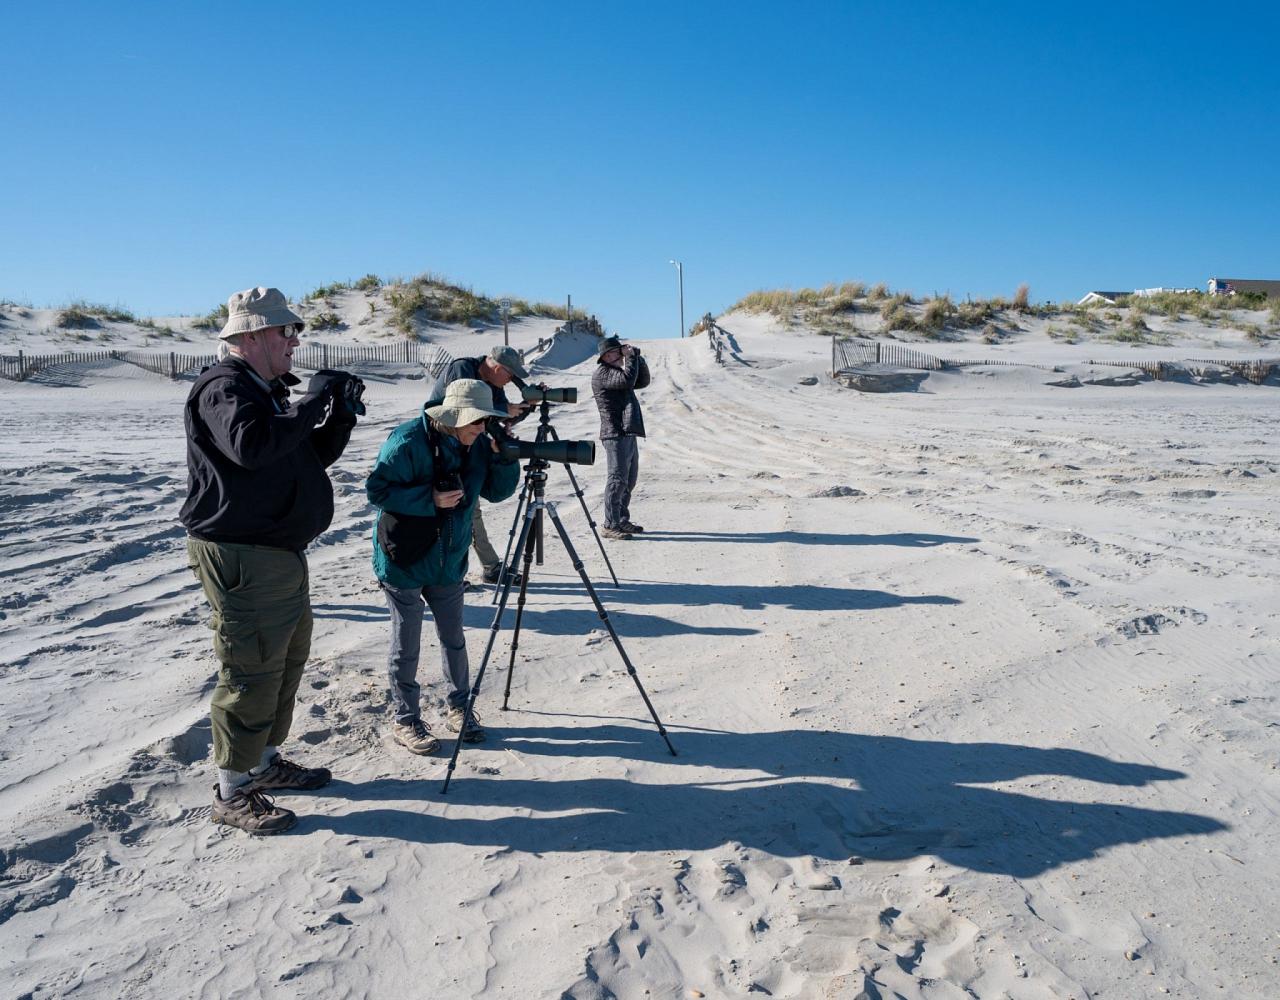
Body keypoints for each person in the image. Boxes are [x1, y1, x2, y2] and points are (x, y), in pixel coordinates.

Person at [181, 286, 364, 834]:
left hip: (277, 553)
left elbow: (305, 455)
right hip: (242, 552)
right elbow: (252, 446)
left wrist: (339, 415)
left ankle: (262, 764)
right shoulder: (224, 386)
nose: (295, 340)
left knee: (285, 661)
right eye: (286, 331)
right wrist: (310, 403)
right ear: (253, 335)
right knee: (252, 667)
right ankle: (231, 788)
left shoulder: (264, 389)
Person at [367, 379, 521, 754]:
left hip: (450, 560)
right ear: (456, 417)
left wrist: (504, 457)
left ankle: (459, 708)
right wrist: (429, 498)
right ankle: (406, 719)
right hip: (403, 558)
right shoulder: (406, 442)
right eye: (478, 422)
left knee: (454, 639)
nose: (482, 429)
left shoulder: (480, 445)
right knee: (407, 644)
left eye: (486, 423)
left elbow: (497, 493)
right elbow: (377, 490)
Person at [428, 345, 532, 584]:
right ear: (496, 367)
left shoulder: (494, 384)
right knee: (457, 506)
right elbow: (462, 410)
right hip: (441, 446)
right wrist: (500, 410)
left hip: (467, 444)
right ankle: (452, 571)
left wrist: (528, 406)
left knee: (468, 505)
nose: (510, 380)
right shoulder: (463, 368)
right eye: (510, 374)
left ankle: (480, 567)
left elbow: (499, 420)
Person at [591, 335, 650, 539]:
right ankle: (610, 524)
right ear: (606, 356)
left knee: (629, 479)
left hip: (626, 432)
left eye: (619, 351)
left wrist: (637, 358)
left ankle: (622, 520)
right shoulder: (603, 373)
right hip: (614, 433)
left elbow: (642, 381)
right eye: (615, 352)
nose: (619, 355)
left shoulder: (617, 370)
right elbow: (627, 380)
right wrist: (630, 359)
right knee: (617, 479)